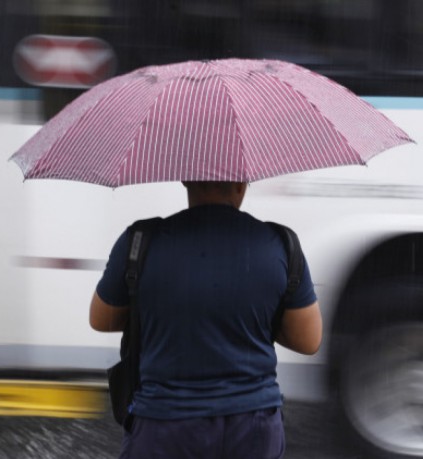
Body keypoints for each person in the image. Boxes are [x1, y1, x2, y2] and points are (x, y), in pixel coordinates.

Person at [89, 181, 322, 459]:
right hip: (251, 427)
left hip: (162, 425)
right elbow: (308, 340)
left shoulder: (140, 241)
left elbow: (101, 319)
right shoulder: (281, 244)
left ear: (185, 179)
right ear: (242, 182)